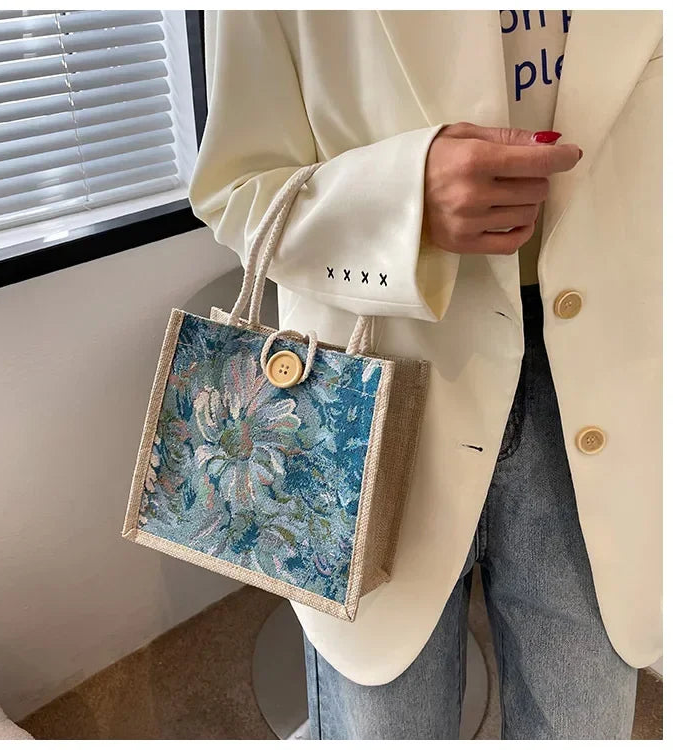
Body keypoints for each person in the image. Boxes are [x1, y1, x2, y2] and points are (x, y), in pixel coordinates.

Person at [188, 9, 662, 740]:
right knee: (385, 716)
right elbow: (236, 189)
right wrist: (401, 202)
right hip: (366, 382)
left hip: (609, 377)